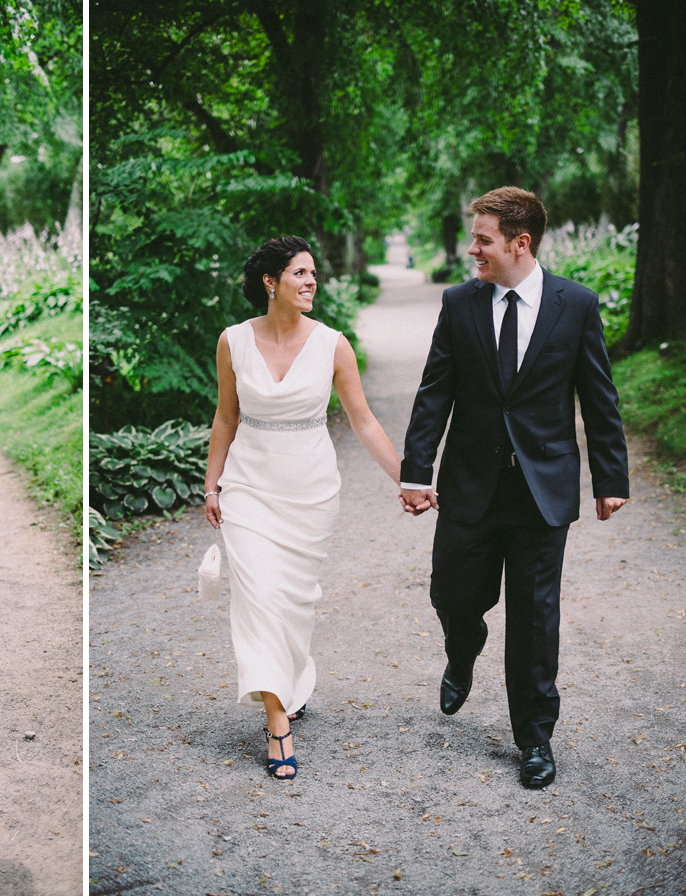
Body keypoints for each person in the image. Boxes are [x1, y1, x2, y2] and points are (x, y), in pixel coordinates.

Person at [399, 187, 628, 789]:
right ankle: (462, 644)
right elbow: (434, 393)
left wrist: (610, 478)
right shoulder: (460, 303)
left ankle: (534, 736)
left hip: (541, 489)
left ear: (520, 243)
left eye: (483, 239)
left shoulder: (574, 305)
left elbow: (598, 397)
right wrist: (416, 471)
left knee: (533, 618)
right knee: (452, 591)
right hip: (470, 484)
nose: (472, 249)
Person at [203, 236, 402, 780]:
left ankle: (292, 681)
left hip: (311, 493)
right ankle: (277, 723)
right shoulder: (233, 342)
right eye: (300, 273)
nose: (312, 282)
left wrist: (407, 478)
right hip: (248, 489)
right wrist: (212, 485)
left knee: (293, 604)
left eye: (314, 273)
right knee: (260, 598)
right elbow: (226, 417)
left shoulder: (333, 345)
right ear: (271, 282)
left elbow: (362, 419)